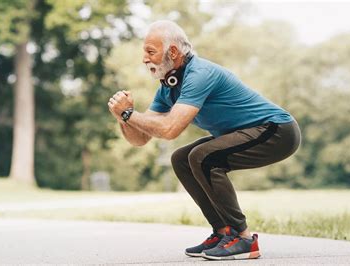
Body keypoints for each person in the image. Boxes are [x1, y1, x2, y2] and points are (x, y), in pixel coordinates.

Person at [107, 20, 301, 261]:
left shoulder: (199, 74)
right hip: (250, 132)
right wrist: (122, 117)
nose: (144, 59)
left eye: (150, 51)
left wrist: (129, 114)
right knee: (181, 159)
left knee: (203, 157)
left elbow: (169, 130)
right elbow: (141, 139)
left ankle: (244, 239)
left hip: (277, 130)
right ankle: (223, 233)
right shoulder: (168, 87)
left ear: (173, 52)